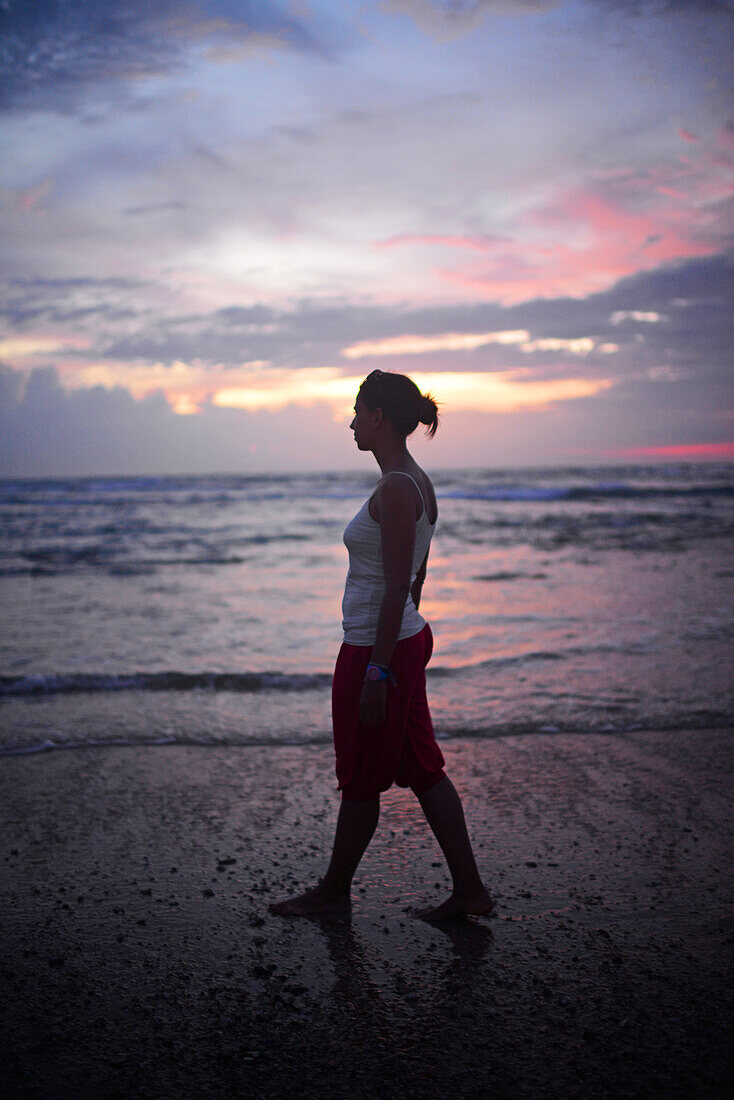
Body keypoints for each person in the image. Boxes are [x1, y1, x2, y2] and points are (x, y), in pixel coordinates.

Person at [270, 370, 494, 921]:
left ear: (379, 418)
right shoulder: (416, 480)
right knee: (421, 767)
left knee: (361, 775)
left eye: (357, 410)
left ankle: (332, 894)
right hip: (402, 639)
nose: (350, 422)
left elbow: (397, 585)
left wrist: (377, 671)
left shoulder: (396, 487)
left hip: (376, 647)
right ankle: (470, 893)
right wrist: (404, 642)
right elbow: (416, 572)